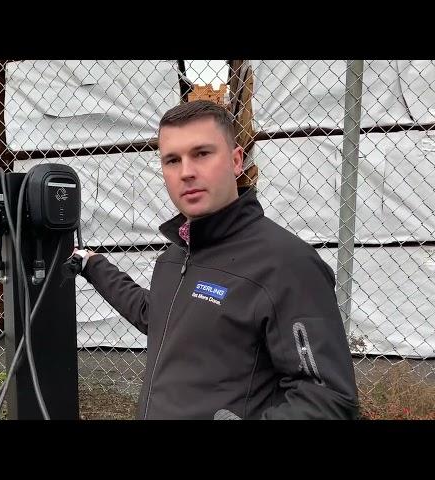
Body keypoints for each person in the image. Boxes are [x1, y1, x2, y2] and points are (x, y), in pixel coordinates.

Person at [73, 100, 359, 420]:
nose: (186, 172)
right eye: (172, 160)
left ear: (236, 161)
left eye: (202, 154)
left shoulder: (286, 264)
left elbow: (329, 399)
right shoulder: (174, 256)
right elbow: (155, 315)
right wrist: (92, 265)